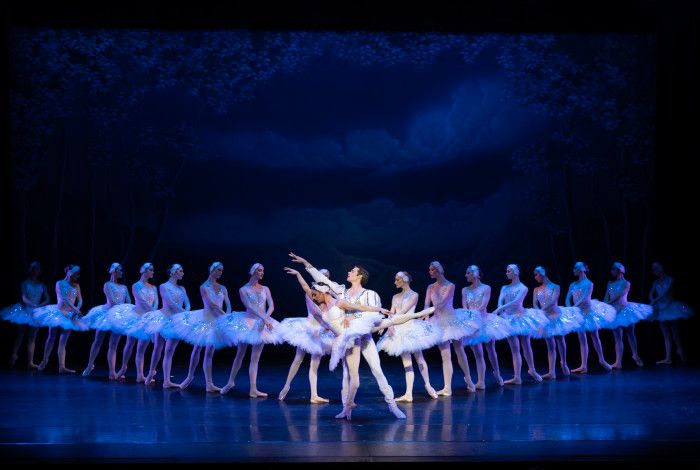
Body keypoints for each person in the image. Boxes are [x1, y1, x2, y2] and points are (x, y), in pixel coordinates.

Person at [219, 263, 285, 398]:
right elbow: (250, 306)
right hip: (247, 322)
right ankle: (230, 382)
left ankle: (253, 389)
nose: (262, 273)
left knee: (255, 358)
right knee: (240, 353)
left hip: (262, 322)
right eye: (260, 270)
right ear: (253, 272)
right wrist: (264, 318)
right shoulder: (243, 290)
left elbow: (271, 305)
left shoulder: (265, 288)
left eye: (263, 271)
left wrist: (265, 319)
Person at [376, 271, 441, 401]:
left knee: (419, 358)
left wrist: (391, 323)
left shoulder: (414, 295)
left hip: (411, 329)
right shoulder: (395, 296)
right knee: (406, 361)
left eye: (397, 279)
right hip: (399, 330)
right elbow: (392, 312)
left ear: (405, 280)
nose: (395, 282)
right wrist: (389, 325)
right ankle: (408, 393)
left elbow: (403, 312)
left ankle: (428, 385)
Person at [278, 268, 335, 404]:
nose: (324, 277)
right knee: (298, 359)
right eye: (322, 275)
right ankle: (286, 386)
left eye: (326, 276)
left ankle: (314, 395)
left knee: (315, 363)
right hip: (309, 328)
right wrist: (298, 274)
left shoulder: (330, 295)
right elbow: (316, 313)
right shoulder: (312, 293)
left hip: (322, 330)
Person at [173, 262, 230, 392]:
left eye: (222, 270)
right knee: (197, 347)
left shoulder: (223, 288)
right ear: (212, 270)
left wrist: (226, 316)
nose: (221, 272)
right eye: (219, 270)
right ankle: (189, 376)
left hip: (217, 321)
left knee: (210, 351)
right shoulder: (203, 287)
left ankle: (209, 384)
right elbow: (212, 305)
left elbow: (228, 304)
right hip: (205, 319)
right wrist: (225, 316)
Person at [491, 264, 547, 384]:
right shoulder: (504, 288)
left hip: (521, 317)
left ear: (516, 272)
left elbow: (515, 302)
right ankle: (517, 377)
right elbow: (500, 300)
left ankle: (532, 369)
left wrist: (499, 309)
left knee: (526, 344)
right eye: (506, 271)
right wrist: (500, 309)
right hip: (508, 318)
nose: (506, 273)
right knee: (514, 347)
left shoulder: (523, 288)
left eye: (509, 271)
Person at [461, 265, 510, 388]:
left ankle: (497, 374)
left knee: (491, 350)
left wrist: (475, 317)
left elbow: (483, 305)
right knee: (478, 353)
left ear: (475, 274)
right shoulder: (465, 290)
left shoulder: (486, 288)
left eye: (468, 273)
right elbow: (465, 307)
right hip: (471, 322)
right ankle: (481, 381)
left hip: (484, 321)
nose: (465, 275)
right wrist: (470, 319)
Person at [531, 266, 584, 379]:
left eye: (536, 274)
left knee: (560, 339)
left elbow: (552, 301)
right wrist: (539, 312)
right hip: (545, 317)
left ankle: (563, 363)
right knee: (550, 343)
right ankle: (551, 371)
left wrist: (541, 310)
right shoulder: (536, 289)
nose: (535, 277)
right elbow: (535, 303)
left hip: (556, 315)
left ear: (543, 273)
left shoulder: (556, 287)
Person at [81, 263, 131, 378]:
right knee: (98, 340)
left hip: (119, 315)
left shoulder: (124, 287)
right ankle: (89, 365)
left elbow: (128, 301)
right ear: (114, 271)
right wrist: (123, 307)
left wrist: (127, 310)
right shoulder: (107, 285)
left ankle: (112, 372)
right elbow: (112, 301)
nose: (121, 272)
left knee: (113, 344)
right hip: (106, 314)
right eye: (120, 270)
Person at [35, 265, 88, 373]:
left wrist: (76, 309)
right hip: (58, 312)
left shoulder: (76, 285)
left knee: (63, 341)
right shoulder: (59, 283)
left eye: (78, 274)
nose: (78, 276)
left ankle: (62, 367)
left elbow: (80, 300)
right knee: (51, 337)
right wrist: (76, 310)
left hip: (69, 314)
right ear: (69, 272)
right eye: (76, 273)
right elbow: (64, 298)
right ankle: (44, 361)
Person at [565, 261, 615, 373]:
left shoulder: (589, 284)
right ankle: (583, 365)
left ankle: (602, 360)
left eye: (576, 267)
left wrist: (573, 308)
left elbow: (584, 298)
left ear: (583, 269)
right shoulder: (572, 285)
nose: (574, 269)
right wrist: (570, 308)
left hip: (588, 312)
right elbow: (568, 297)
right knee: (581, 339)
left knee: (595, 336)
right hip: (577, 312)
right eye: (574, 267)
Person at [1, 261, 49, 369]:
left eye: (37, 269)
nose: (36, 271)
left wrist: (39, 305)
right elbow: (24, 298)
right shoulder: (24, 283)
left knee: (32, 337)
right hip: (25, 309)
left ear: (39, 271)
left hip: (36, 311)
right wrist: (33, 305)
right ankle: (14, 356)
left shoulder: (42, 285)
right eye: (34, 269)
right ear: (31, 270)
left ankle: (30, 362)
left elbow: (47, 298)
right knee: (20, 335)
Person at [604, 262, 652, 369]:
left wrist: (607, 303)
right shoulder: (610, 283)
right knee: (617, 337)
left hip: (625, 310)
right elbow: (606, 296)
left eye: (613, 269)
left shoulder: (626, 283)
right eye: (611, 270)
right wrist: (604, 306)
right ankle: (618, 362)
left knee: (630, 334)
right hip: (614, 311)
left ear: (619, 271)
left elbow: (619, 296)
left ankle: (635, 355)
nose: (611, 271)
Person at [648, 262, 693, 364]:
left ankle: (680, 352)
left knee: (675, 332)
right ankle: (668, 358)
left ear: (662, 268)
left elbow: (665, 293)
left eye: (657, 268)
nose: (655, 271)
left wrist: (654, 301)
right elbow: (650, 294)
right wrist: (652, 299)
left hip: (671, 307)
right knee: (666, 334)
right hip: (660, 308)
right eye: (654, 269)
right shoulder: (655, 282)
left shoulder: (670, 280)